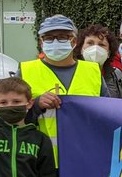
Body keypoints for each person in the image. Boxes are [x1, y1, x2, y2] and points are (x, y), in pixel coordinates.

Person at [20, 15, 106, 165]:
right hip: (41, 162)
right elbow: (13, 117)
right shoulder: (25, 71)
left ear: (74, 41)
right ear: (41, 42)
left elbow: (107, 114)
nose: (55, 42)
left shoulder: (93, 71)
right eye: (48, 38)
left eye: (62, 37)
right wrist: (37, 105)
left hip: (85, 159)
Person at [76, 24, 122, 99]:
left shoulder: (116, 74)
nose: (95, 48)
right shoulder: (72, 73)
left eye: (101, 45)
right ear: (81, 49)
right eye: (90, 43)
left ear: (109, 52)